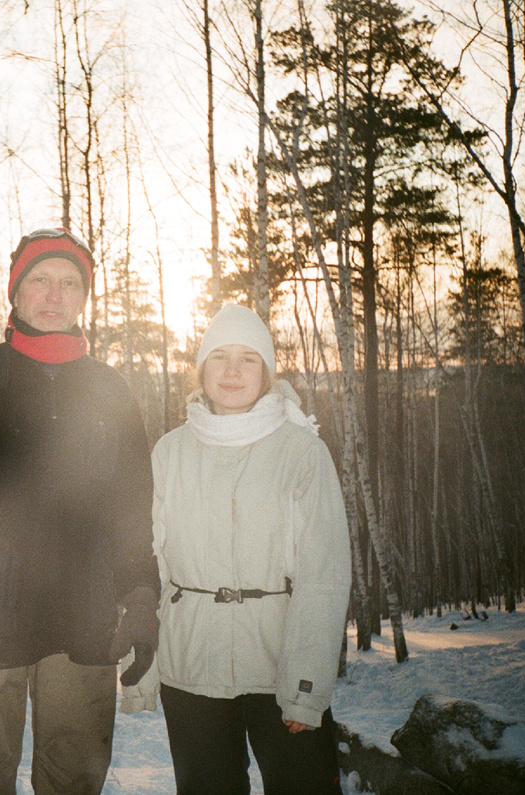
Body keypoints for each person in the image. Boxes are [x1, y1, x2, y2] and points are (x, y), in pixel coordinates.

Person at [0, 228, 161, 795]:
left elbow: (133, 511)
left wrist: (140, 597)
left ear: (84, 297)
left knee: (74, 784)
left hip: (85, 625)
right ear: (15, 291)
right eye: (39, 279)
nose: (53, 295)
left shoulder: (112, 392)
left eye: (69, 283)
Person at [122, 303, 350, 795]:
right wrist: (140, 665)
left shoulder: (302, 452)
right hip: (191, 669)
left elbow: (324, 577)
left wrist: (306, 690)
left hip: (280, 667)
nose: (231, 371)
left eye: (248, 358)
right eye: (219, 357)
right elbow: (148, 563)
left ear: (266, 371)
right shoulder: (170, 452)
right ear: (201, 368)